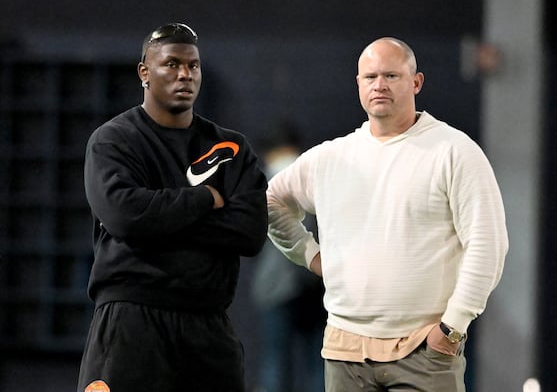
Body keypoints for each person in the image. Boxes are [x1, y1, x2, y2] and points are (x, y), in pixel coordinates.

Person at [266, 37, 509, 392]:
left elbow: (488, 245)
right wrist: (311, 255)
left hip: (425, 352)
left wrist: (453, 328)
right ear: (359, 85)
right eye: (370, 77)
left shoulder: (454, 152)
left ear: (416, 82)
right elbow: (271, 202)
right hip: (344, 353)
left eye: (392, 75)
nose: (379, 85)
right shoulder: (330, 158)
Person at [77, 22, 268, 392]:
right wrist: (204, 199)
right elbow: (124, 215)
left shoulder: (231, 147)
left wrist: (159, 217)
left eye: (193, 66)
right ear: (144, 73)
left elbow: (250, 231)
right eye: (172, 64)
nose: (185, 74)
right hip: (130, 323)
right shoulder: (114, 140)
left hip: (208, 326)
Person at [251, 125, 326, 392]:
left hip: (277, 287)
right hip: (316, 283)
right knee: (317, 364)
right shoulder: (313, 179)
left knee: (275, 363)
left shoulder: (261, 183)